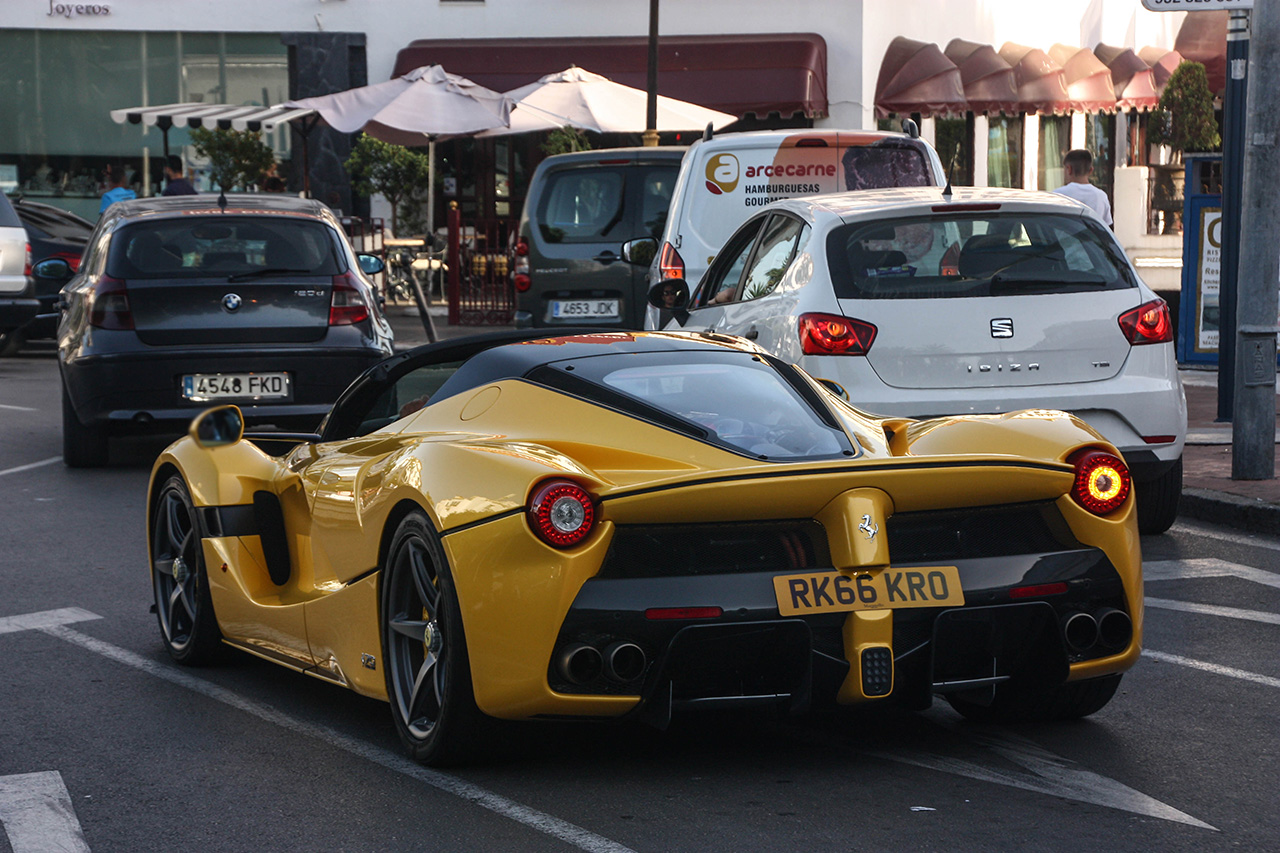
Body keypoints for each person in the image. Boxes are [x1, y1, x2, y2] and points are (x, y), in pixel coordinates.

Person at [1053, 149, 1113, 228]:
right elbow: (1107, 227)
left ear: (1069, 169)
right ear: (1091, 170)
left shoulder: (1057, 195)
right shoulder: (1101, 196)